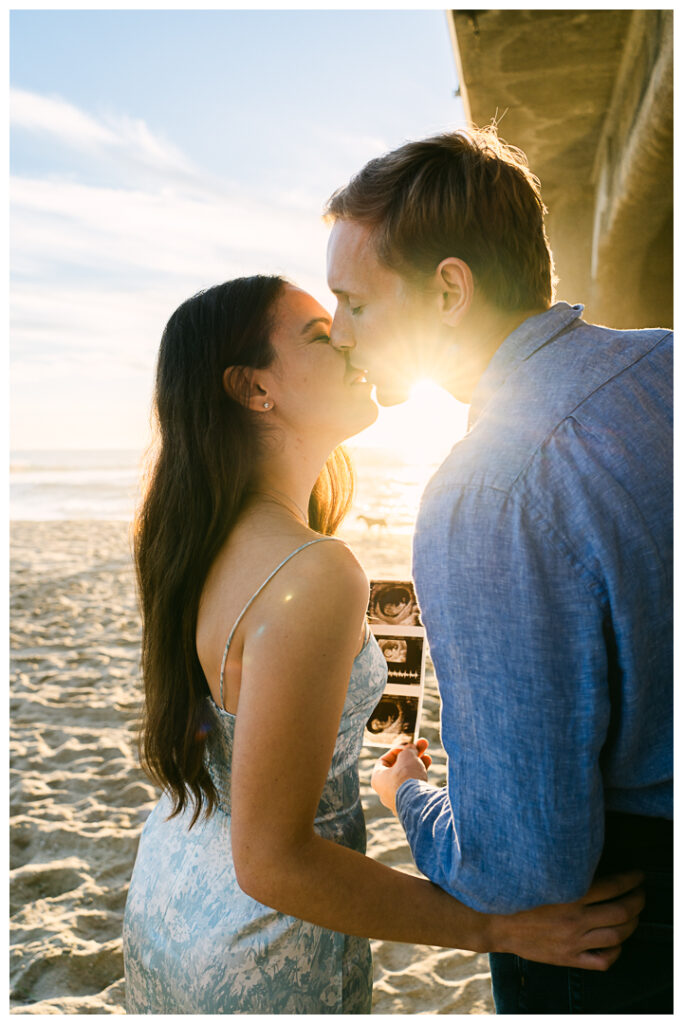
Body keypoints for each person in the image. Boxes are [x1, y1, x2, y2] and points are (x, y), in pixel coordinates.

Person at [122, 275, 644, 1014]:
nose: (345, 339)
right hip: (264, 943)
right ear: (252, 388)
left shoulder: (192, 544)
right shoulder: (312, 570)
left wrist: (374, 775)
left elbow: (239, 749)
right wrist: (498, 927)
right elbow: (271, 863)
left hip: (169, 901)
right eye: (315, 334)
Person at [324, 127, 673, 1013]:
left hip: (627, 924)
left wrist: (409, 796)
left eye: (356, 303)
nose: (337, 331)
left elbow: (526, 865)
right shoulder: (667, 361)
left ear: (449, 289)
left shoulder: (487, 488)